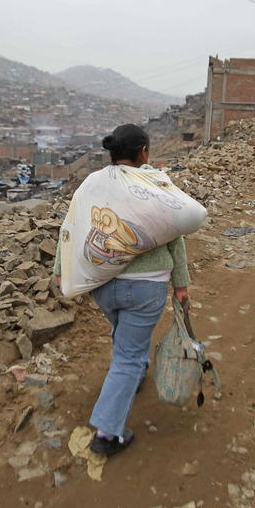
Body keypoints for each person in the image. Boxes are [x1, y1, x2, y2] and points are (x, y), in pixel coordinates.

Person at [53, 123, 191, 457]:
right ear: (144, 151)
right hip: (146, 286)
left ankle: (134, 372)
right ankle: (107, 433)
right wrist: (182, 284)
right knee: (128, 354)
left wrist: (60, 270)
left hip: (101, 284)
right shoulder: (154, 183)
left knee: (126, 336)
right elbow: (175, 233)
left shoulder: (92, 183)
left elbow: (71, 225)